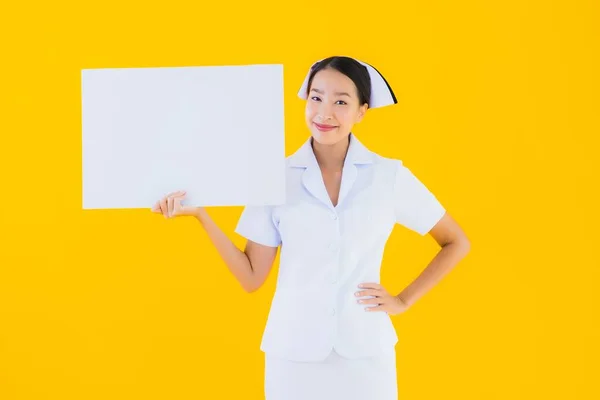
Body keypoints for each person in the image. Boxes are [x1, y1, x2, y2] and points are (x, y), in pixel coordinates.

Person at [151, 56, 471, 400]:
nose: (324, 112)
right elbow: (251, 278)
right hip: (293, 357)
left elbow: (455, 242)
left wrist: (404, 300)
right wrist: (202, 216)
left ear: (362, 110)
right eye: (316, 98)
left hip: (366, 355)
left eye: (341, 102)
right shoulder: (274, 177)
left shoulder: (387, 176)